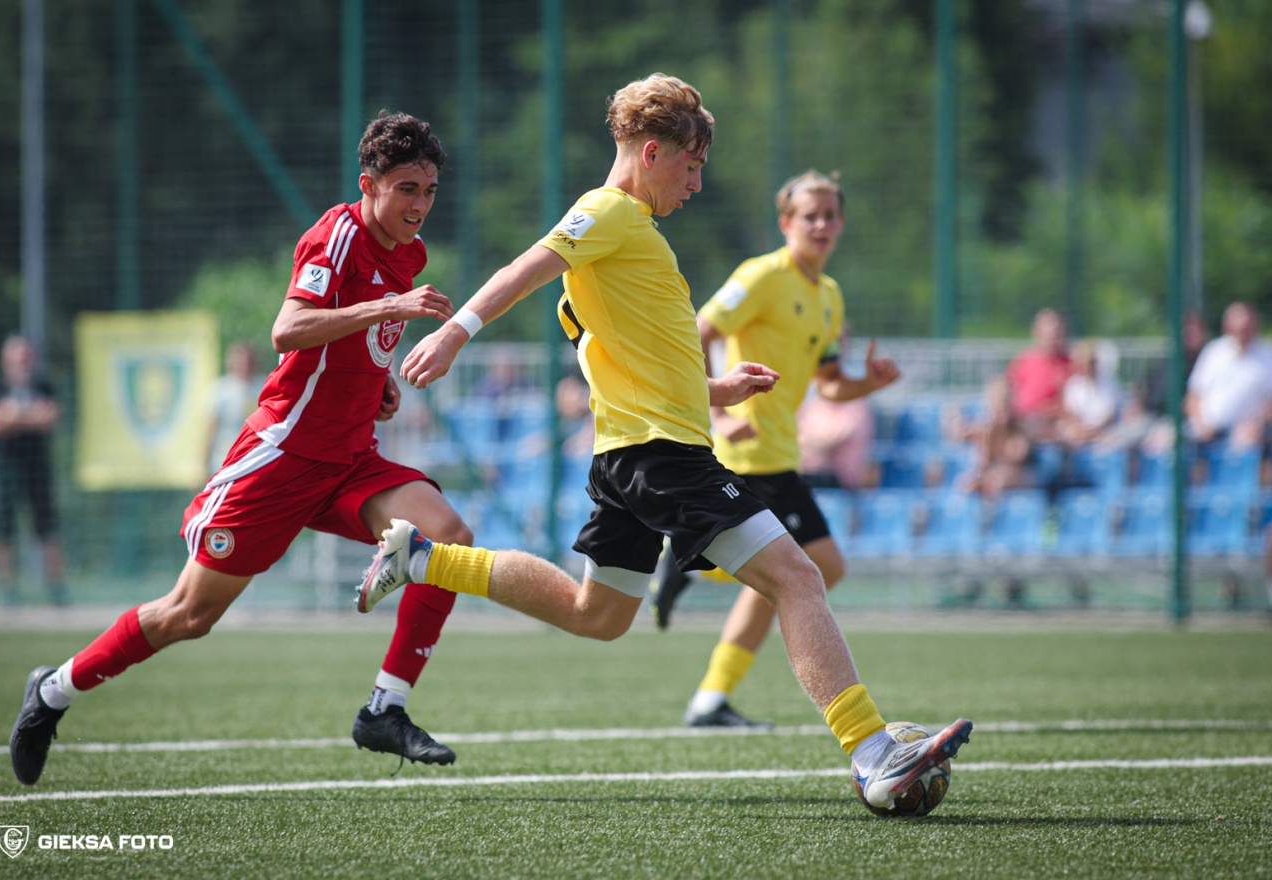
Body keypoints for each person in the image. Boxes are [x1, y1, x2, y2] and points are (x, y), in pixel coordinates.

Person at [371, 73, 971, 809]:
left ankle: (425, 558)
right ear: (651, 153)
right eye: (691, 166)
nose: (695, 184)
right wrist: (456, 333)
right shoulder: (609, 212)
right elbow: (525, 268)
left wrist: (715, 390)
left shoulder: (629, 238)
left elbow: (627, 359)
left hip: (631, 453)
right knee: (799, 576)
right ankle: (874, 754)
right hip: (662, 457)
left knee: (597, 616)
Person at [10, 112, 470, 786]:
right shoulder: (338, 236)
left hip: (348, 458)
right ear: (368, 184)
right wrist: (387, 309)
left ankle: (385, 708)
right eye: (406, 188)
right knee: (188, 616)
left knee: (449, 538)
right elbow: (289, 329)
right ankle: (53, 691)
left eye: (429, 190)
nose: (419, 204)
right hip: (283, 457)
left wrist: (376, 386)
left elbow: (350, 347)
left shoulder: (410, 253)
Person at [646, 169, 902, 728]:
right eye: (810, 216)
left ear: (841, 224)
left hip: (783, 454)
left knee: (797, 576)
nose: (821, 225)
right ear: (786, 223)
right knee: (809, 569)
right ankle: (690, 564)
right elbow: (699, 331)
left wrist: (869, 382)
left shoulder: (828, 295)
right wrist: (718, 411)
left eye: (830, 215)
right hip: (748, 456)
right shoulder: (761, 275)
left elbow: (829, 384)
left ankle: (709, 696)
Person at [0, 335, 66, 606]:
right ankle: (7, 589)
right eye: (17, 359)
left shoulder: (43, 386)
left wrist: (13, 416)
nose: (22, 364)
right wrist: (29, 417)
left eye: (26, 358)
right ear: (6, 361)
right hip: (5, 468)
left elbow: (50, 418)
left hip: (37, 467)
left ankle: (56, 588)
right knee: (1, 528)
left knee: (47, 527)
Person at [1185, 301, 1272, 451]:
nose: (1241, 330)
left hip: (1248, 432)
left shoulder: (1270, 356)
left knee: (1246, 446)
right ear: (1227, 326)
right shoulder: (1213, 352)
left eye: (1246, 326)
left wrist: (1257, 422)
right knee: (1167, 443)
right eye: (1237, 325)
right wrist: (1202, 425)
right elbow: (1193, 396)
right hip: (1204, 430)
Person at [1006, 308, 1073, 443]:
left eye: (1058, 332)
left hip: (1050, 424)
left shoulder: (1070, 365)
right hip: (1021, 420)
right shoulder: (1024, 360)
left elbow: (1072, 404)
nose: (1054, 337)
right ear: (1037, 332)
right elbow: (1007, 387)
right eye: (1049, 332)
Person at [204, 341, 266, 478]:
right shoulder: (221, 390)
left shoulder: (264, 387)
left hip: (256, 458)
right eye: (241, 361)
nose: (245, 366)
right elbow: (212, 429)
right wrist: (204, 464)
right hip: (225, 459)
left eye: (248, 361)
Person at [1056, 338, 1123, 449]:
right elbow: (1070, 412)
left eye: (1090, 362)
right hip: (1080, 430)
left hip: (1104, 429)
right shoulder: (1073, 384)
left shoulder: (1110, 383)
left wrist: (1093, 431)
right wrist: (1080, 429)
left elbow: (1109, 415)